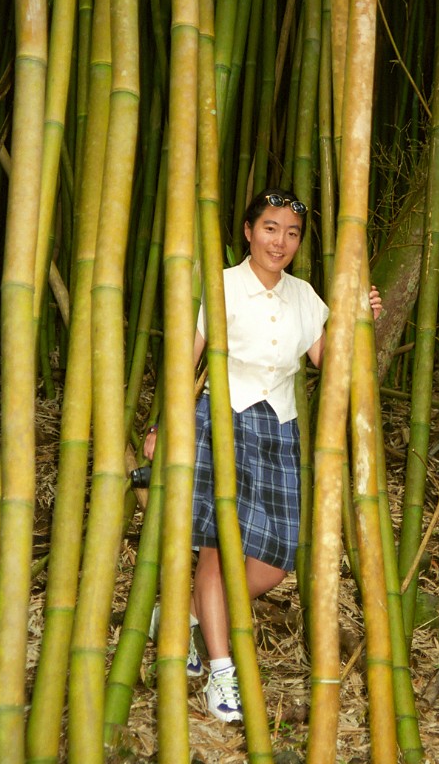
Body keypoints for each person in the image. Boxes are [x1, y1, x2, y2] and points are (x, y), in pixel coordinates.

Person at [144, 187, 382, 722]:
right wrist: (164, 423)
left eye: (292, 233)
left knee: (273, 562)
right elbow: (190, 356)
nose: (281, 241)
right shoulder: (221, 284)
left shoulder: (303, 294)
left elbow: (324, 358)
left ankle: (179, 615)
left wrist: (357, 318)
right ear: (248, 231)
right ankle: (221, 674)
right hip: (221, 418)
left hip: (280, 426)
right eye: (270, 228)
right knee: (217, 548)